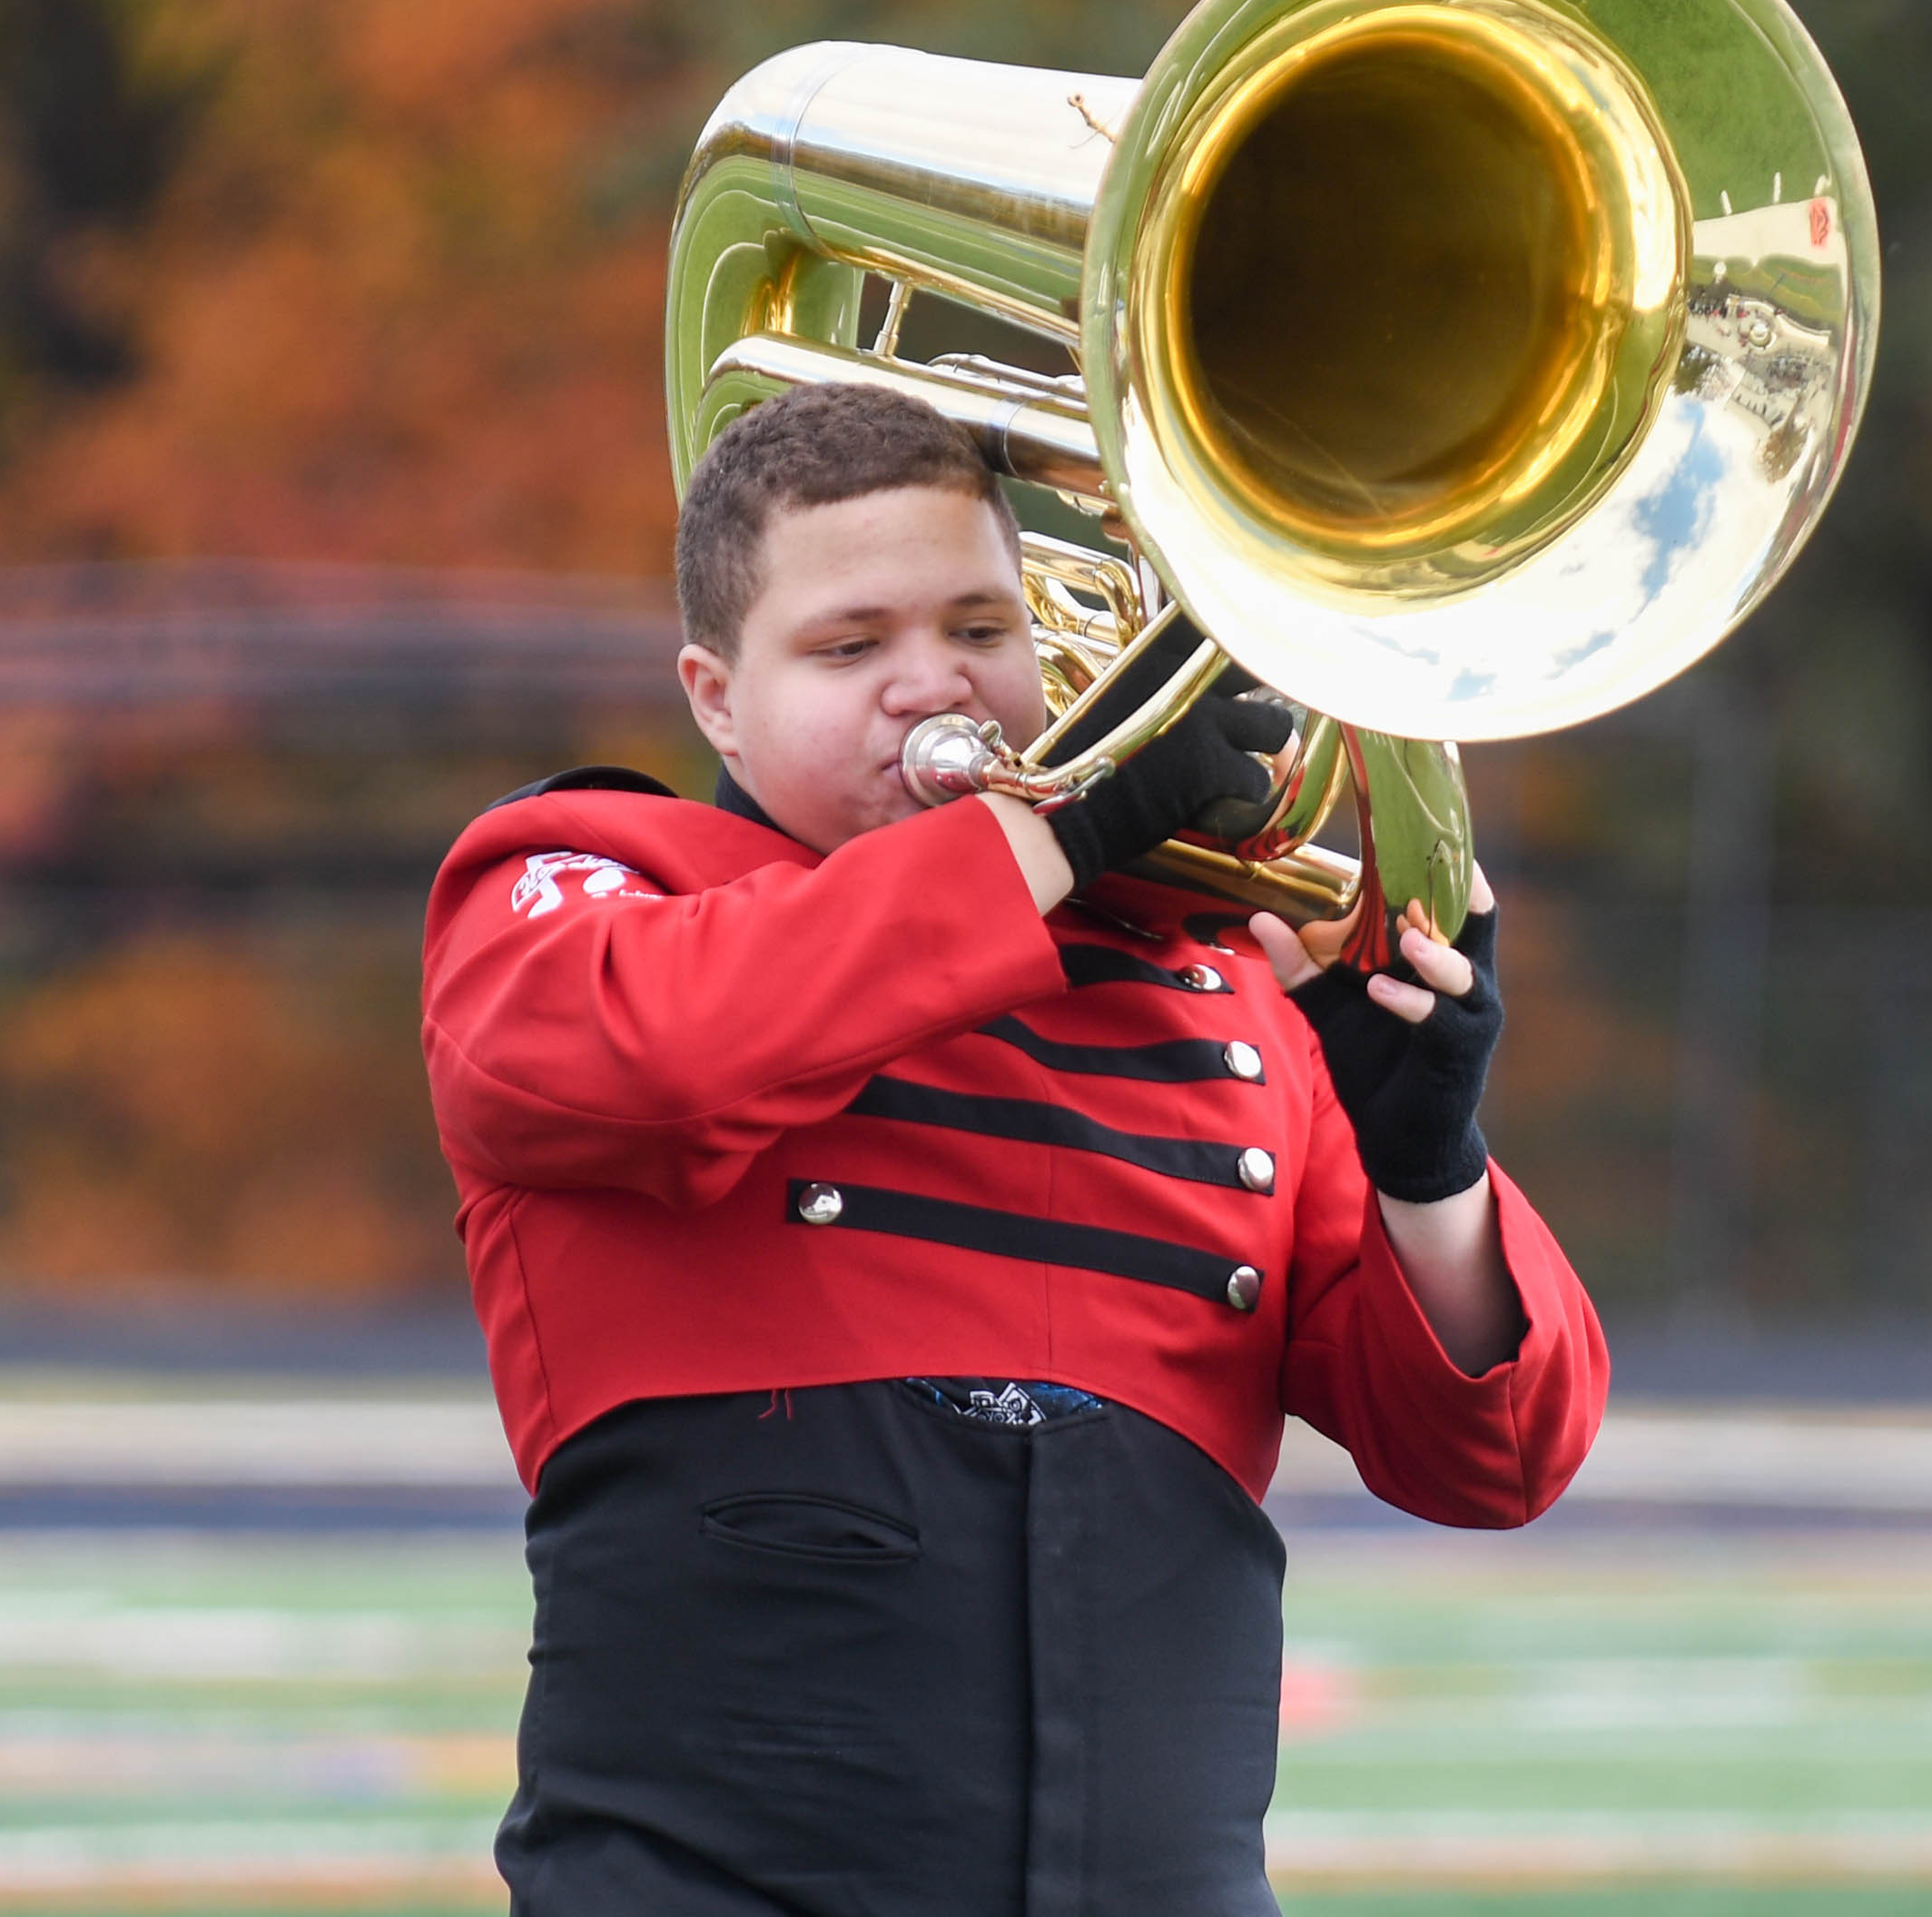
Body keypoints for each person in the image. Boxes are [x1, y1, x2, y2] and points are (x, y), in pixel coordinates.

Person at [420, 380, 1609, 1915]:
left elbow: (1495, 1461)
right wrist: (1057, 832)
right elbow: (630, 1053)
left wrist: (1429, 1162)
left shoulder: (1211, 978)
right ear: (715, 696)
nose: (937, 690)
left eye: (982, 632)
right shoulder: (598, 879)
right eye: (852, 649)